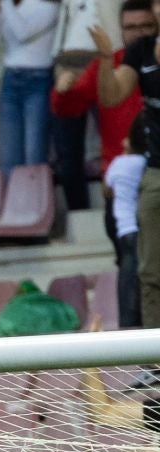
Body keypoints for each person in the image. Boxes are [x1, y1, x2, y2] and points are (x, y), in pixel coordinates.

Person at [50, 1, 153, 219]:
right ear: (121, 30)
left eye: (146, 26)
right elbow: (69, 109)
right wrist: (63, 91)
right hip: (121, 180)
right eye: (130, 28)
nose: (138, 34)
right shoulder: (105, 65)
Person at [96, 15, 160, 327]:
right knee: (148, 271)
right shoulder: (141, 52)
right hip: (155, 171)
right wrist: (105, 59)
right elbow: (110, 96)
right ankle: (152, 349)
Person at [0, 0, 61, 173]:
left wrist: (6, 4)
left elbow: (23, 32)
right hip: (10, 78)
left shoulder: (50, 5)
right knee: (8, 156)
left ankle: (36, 192)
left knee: (34, 154)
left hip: (38, 80)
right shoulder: (14, 6)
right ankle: (11, 191)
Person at [105, 117, 148, 328]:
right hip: (143, 230)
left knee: (129, 278)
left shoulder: (120, 163)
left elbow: (107, 191)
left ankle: (128, 325)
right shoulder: (147, 164)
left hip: (125, 230)